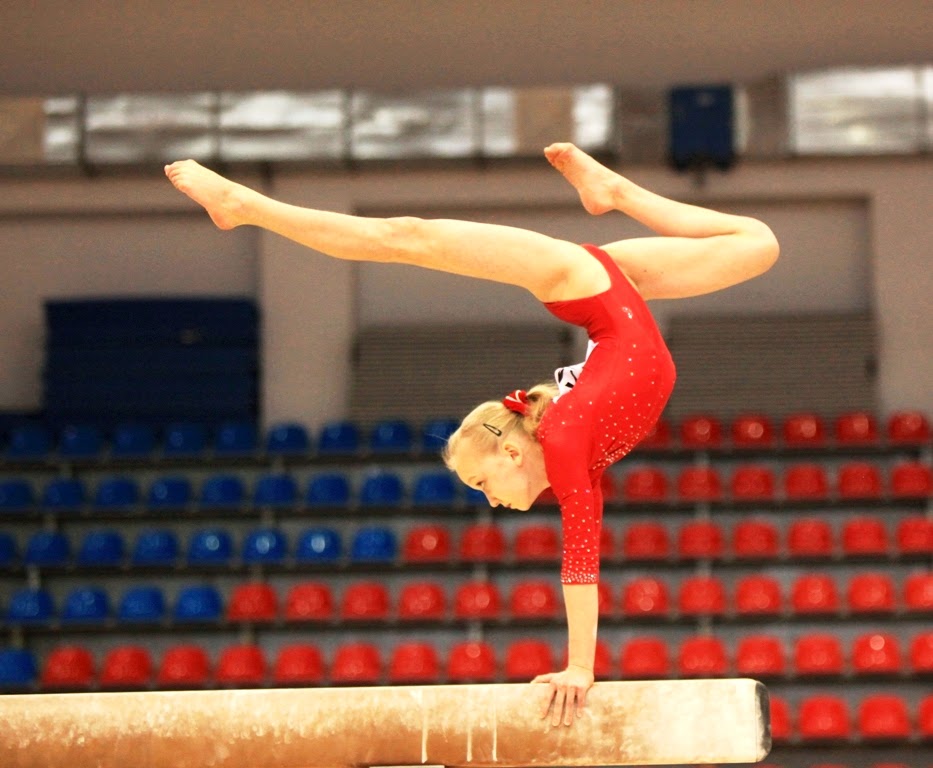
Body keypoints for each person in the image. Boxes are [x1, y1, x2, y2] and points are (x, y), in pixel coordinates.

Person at [165, 143, 779, 726]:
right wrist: (580, 667)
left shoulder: (564, 437)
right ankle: (611, 190)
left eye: (483, 482)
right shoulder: (570, 445)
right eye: (482, 488)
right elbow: (583, 549)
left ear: (513, 450)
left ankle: (245, 206)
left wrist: (580, 667)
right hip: (612, 291)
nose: (489, 501)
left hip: (580, 279)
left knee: (407, 236)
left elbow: (580, 558)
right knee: (759, 244)